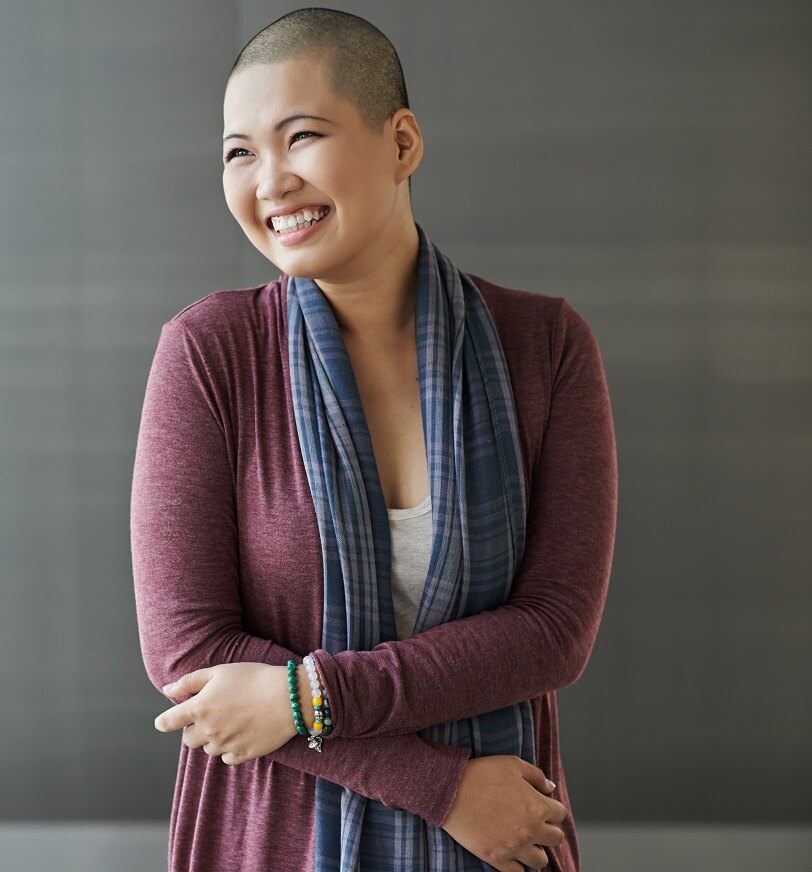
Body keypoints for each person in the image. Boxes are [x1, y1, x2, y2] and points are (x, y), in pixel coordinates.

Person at [129, 7, 616, 872]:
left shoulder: (545, 345)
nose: (269, 181)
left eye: (301, 136)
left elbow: (553, 631)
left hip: (507, 844)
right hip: (282, 837)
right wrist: (442, 788)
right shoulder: (209, 352)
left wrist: (304, 695)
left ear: (402, 143)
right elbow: (193, 656)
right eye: (239, 152)